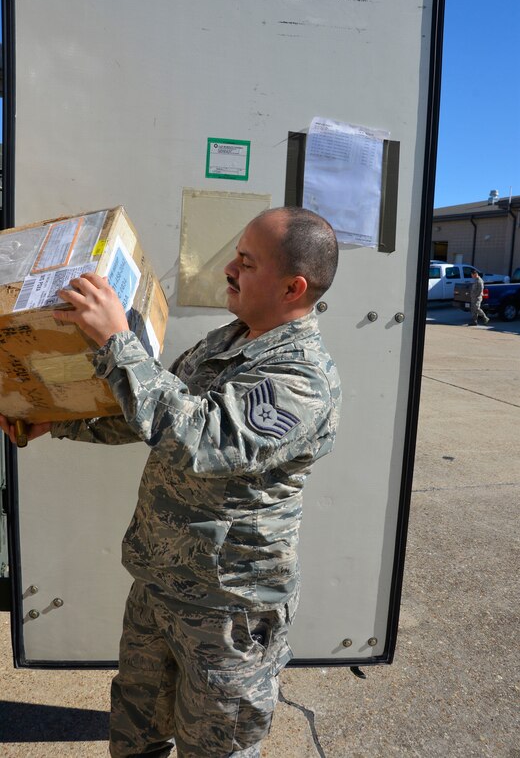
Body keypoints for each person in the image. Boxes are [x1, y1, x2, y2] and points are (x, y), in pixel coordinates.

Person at [0, 206, 341, 758]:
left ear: (292, 286)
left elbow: (199, 439)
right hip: (160, 584)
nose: (229, 267)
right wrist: (54, 420)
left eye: (246, 262)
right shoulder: (225, 340)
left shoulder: (300, 376)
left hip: (226, 609)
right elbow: (149, 413)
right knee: (136, 734)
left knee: (214, 749)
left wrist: (116, 341)